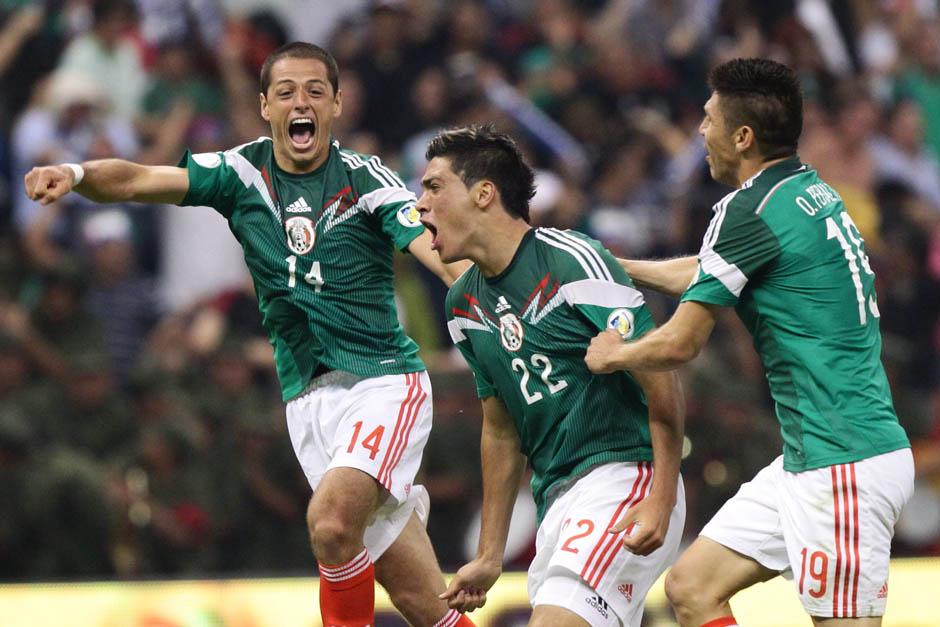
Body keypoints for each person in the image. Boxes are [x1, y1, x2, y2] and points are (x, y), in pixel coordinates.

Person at [24, 41, 475, 627]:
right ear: (265, 105)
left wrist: (476, 288)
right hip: (307, 403)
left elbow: (430, 247)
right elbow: (136, 179)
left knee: (331, 524)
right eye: (286, 91)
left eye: (316, 90)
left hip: (382, 382)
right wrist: (76, 173)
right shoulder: (239, 174)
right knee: (422, 602)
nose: (301, 102)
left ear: (336, 104)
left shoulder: (366, 179)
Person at [585, 58, 913, 627]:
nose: (699, 131)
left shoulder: (746, 209)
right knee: (691, 588)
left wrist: (616, 356)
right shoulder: (805, 192)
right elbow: (713, 272)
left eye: (709, 119)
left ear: (742, 136)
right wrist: (614, 266)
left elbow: (681, 344)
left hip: (841, 463)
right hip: (816, 456)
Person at [418, 124, 686, 626]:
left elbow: (660, 374)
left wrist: (662, 497)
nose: (420, 205)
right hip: (556, 501)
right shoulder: (462, 306)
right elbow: (500, 427)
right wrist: (490, 553)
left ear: (483, 194)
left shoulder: (572, 259)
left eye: (434, 187)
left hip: (626, 477)